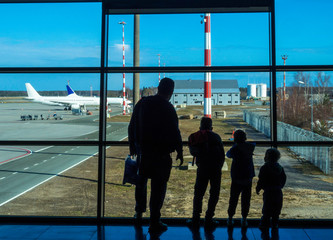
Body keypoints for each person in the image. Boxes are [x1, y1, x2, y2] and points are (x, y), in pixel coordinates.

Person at [128, 77, 183, 233]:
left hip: (143, 152)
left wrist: (133, 145)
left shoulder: (142, 103)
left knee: (141, 183)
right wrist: (179, 150)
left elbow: (131, 125)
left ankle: (138, 213)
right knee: (158, 188)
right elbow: (174, 131)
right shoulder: (168, 108)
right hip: (161, 154)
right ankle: (154, 221)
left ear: (158, 88)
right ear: (171, 91)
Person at [187, 117, 225, 229]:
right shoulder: (216, 137)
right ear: (211, 127)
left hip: (202, 168)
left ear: (200, 126)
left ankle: (195, 218)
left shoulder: (194, 136)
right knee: (214, 193)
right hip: (215, 168)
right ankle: (209, 217)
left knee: (198, 193)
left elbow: (193, 151)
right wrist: (219, 165)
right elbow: (222, 154)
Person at [226, 130, 255, 228]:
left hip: (236, 177)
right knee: (246, 199)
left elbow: (228, 154)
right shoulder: (250, 147)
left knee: (233, 198)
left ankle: (230, 218)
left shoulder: (235, 149)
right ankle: (244, 218)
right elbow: (253, 144)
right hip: (248, 176)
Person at [256, 148, 286, 230]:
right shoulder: (280, 168)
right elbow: (283, 178)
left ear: (267, 157)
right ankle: (275, 223)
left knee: (267, 208)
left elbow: (261, 179)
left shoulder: (264, 168)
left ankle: (264, 224)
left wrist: (258, 188)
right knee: (277, 209)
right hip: (278, 191)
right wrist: (280, 186)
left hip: (268, 191)